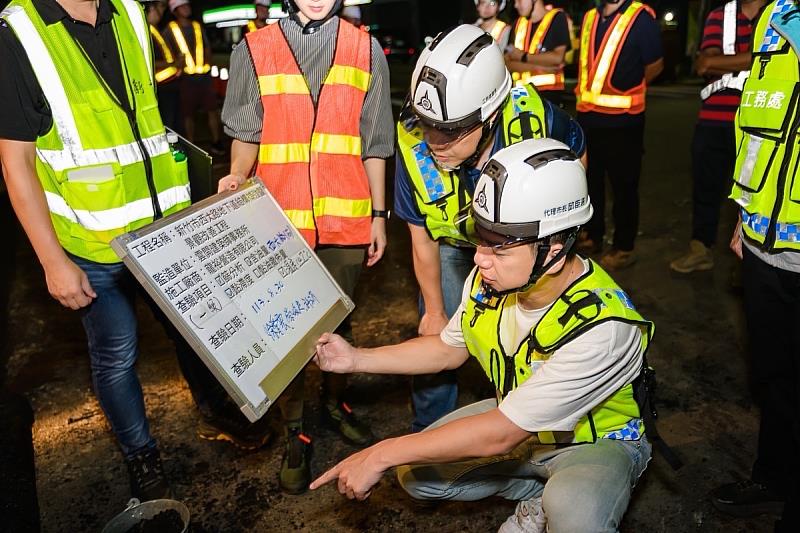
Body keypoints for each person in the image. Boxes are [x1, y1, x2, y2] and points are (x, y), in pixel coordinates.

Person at [0, 0, 271, 502]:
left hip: (161, 231)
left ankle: (214, 409)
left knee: (193, 333)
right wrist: (51, 261)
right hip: (92, 244)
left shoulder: (128, 11)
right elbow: (16, 161)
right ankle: (139, 454)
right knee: (116, 355)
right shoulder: (21, 32)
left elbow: (144, 122)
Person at [310, 138, 653, 533]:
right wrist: (355, 358)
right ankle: (534, 494)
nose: (478, 259)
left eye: (500, 249)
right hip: (527, 422)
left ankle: (559, 496)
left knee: (577, 515)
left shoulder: (603, 329)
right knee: (416, 474)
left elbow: (500, 434)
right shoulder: (495, 278)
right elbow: (446, 350)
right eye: (481, 239)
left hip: (596, 441)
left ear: (554, 251)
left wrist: (380, 454)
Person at [219, 0, 393, 494]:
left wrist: (379, 216)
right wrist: (236, 173)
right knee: (289, 331)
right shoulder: (255, 49)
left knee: (339, 319)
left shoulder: (366, 48)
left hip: (347, 218)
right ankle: (296, 428)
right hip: (279, 220)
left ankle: (336, 403)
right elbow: (247, 134)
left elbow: (374, 141)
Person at [394, 23, 586, 434]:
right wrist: (433, 310)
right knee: (439, 337)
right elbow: (419, 234)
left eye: (449, 131)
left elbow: (576, 152)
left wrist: (559, 233)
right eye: (426, 124)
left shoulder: (539, 121)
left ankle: (535, 428)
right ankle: (430, 432)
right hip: (452, 244)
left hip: (522, 245)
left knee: (534, 336)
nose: (432, 140)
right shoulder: (413, 143)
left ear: (490, 114)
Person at [712, 2, 800, 530]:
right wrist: (745, 215)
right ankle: (776, 479)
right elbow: (756, 120)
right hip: (768, 243)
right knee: (774, 375)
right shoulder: (776, 13)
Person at [670, 0, 766, 274]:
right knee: (705, 188)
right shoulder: (719, 16)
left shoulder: (777, 14)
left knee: (753, 195)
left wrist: (723, 62)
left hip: (757, 123)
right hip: (713, 121)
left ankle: (749, 262)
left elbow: (777, 60)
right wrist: (756, 58)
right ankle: (700, 249)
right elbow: (704, 63)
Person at [574, 0, 663, 270]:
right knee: (591, 182)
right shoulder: (590, 16)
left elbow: (655, 65)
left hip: (624, 123)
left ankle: (624, 246)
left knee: (624, 188)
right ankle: (594, 234)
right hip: (589, 118)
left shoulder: (640, 18)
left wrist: (629, 85)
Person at [165, 0, 224, 153]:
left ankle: (216, 142)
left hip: (204, 76)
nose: (187, 8)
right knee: (188, 114)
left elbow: (206, 47)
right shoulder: (170, 30)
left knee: (212, 110)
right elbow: (166, 52)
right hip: (185, 79)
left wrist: (209, 66)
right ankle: (192, 147)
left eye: (187, 5)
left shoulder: (197, 26)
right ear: (175, 10)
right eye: (182, 6)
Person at [505, 0, 571, 106]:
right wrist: (541, 67)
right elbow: (508, 63)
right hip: (519, 94)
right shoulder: (517, 24)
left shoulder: (557, 18)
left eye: (519, 0)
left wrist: (522, 57)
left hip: (548, 96)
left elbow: (557, 58)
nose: (516, 5)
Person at [143, 0, 183, 134]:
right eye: (160, 7)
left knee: (175, 125)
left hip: (170, 84)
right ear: (151, 8)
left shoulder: (156, 30)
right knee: (168, 126)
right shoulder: (145, 31)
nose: (162, 12)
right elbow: (147, 62)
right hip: (161, 87)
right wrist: (173, 64)